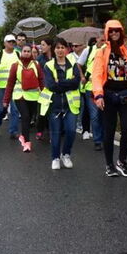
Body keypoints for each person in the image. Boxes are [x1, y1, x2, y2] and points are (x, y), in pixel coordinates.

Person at [91, 20, 127, 177]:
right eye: (111, 31)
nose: (114, 34)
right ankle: (109, 164)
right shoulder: (101, 52)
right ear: (107, 33)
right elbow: (97, 74)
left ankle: (122, 160)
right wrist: (98, 94)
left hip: (126, 94)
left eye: (117, 31)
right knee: (109, 131)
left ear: (121, 32)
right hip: (108, 95)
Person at [41, 37, 82, 169]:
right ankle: (55, 157)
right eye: (57, 47)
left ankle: (66, 154)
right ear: (54, 50)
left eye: (62, 47)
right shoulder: (48, 66)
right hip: (54, 104)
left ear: (67, 49)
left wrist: (61, 82)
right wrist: (67, 83)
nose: (60, 50)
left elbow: (76, 83)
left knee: (71, 131)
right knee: (56, 133)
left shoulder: (73, 63)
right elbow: (51, 85)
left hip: (71, 105)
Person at [3, 43, 44, 152]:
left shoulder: (36, 64)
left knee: (30, 117)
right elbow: (10, 83)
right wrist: (6, 100)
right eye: (24, 51)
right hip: (19, 96)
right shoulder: (15, 65)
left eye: (28, 51)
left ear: (31, 53)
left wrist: (45, 95)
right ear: (21, 52)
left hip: (34, 96)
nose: (26, 53)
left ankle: (23, 136)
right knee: (25, 116)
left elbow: (41, 80)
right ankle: (27, 142)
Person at [0, 34, 21, 138]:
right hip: (2, 87)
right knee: (1, 108)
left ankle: (13, 131)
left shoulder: (18, 54)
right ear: (4, 43)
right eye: (9, 42)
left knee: (15, 109)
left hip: (15, 87)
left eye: (13, 41)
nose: (12, 43)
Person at [78, 37, 105, 151]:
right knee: (94, 115)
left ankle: (104, 137)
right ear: (97, 38)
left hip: (104, 88)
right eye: (101, 39)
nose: (103, 41)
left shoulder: (107, 50)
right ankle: (97, 141)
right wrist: (82, 76)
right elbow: (79, 64)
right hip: (90, 88)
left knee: (103, 114)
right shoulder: (88, 50)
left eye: (105, 39)